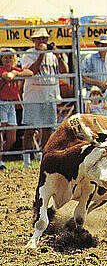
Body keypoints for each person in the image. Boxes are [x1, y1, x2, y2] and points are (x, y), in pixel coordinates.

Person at [21, 28, 68, 168]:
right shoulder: (28, 54)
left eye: (45, 38)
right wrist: (41, 54)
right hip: (34, 97)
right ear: (34, 40)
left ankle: (43, 158)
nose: (43, 41)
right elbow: (33, 71)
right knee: (30, 129)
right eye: (40, 38)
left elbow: (65, 71)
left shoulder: (53, 55)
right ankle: (26, 160)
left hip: (50, 96)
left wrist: (58, 55)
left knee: (48, 129)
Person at [0, 48, 33, 170]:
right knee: (1, 133)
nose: (8, 59)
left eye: (10, 57)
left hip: (11, 104)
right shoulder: (1, 69)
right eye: (5, 57)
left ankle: (1, 156)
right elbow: (6, 76)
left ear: (14, 59)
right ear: (1, 60)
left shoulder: (14, 70)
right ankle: (0, 161)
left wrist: (16, 73)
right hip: (1, 103)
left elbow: (29, 73)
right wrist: (14, 73)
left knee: (12, 138)